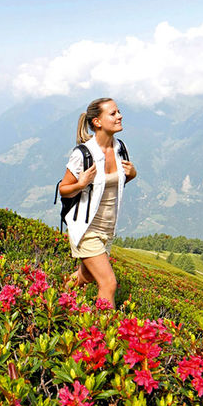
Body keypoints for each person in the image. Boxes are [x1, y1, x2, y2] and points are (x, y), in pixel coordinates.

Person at [58, 98, 137, 305]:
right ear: (97, 122)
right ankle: (102, 332)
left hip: (108, 228)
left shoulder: (121, 148)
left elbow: (112, 184)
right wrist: (80, 183)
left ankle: (56, 298)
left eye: (118, 111)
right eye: (113, 113)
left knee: (86, 276)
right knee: (108, 283)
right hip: (86, 228)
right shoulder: (83, 154)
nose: (119, 116)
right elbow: (63, 189)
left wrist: (132, 174)